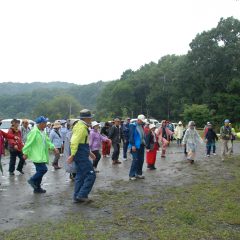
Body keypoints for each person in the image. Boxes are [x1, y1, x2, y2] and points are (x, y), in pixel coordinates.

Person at [23, 116, 59, 193]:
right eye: (45, 123)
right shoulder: (34, 132)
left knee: (40, 171)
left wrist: (53, 148)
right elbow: (28, 143)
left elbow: (48, 141)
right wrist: (25, 153)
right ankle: (32, 180)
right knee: (43, 169)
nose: (46, 124)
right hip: (36, 155)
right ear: (41, 123)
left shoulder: (42, 131)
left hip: (42, 155)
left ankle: (37, 188)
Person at [67, 109, 96, 203]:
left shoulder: (81, 125)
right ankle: (82, 194)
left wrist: (89, 153)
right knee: (91, 174)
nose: (91, 119)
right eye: (90, 118)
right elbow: (74, 141)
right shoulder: (81, 127)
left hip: (82, 151)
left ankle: (77, 196)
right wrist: (72, 155)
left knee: (80, 175)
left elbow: (83, 141)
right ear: (87, 118)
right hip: (80, 153)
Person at [129, 114, 146, 180]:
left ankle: (138, 174)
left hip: (141, 145)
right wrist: (133, 145)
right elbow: (131, 136)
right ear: (138, 120)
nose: (142, 122)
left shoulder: (141, 126)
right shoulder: (133, 126)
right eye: (141, 121)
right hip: (135, 146)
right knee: (135, 160)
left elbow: (142, 136)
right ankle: (131, 175)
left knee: (141, 160)